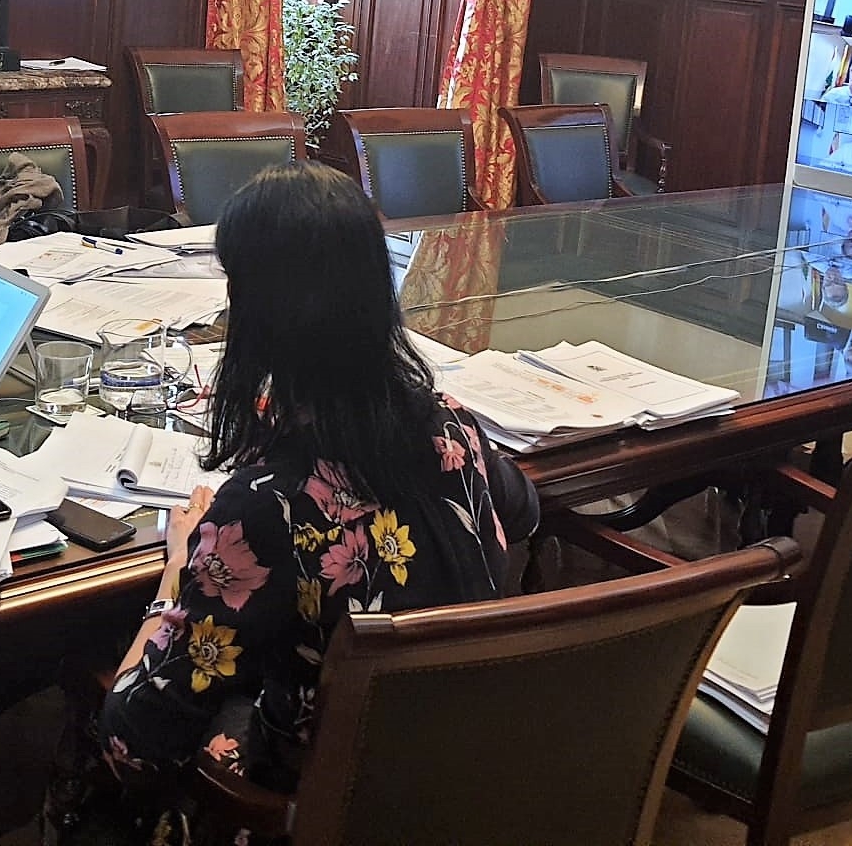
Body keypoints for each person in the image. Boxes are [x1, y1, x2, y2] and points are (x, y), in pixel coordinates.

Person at [81, 163, 538, 830]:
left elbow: (134, 748)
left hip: (306, 806)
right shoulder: (452, 428)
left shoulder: (261, 510)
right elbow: (523, 512)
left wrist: (177, 573)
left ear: (258, 318)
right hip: (452, 777)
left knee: (86, 669)